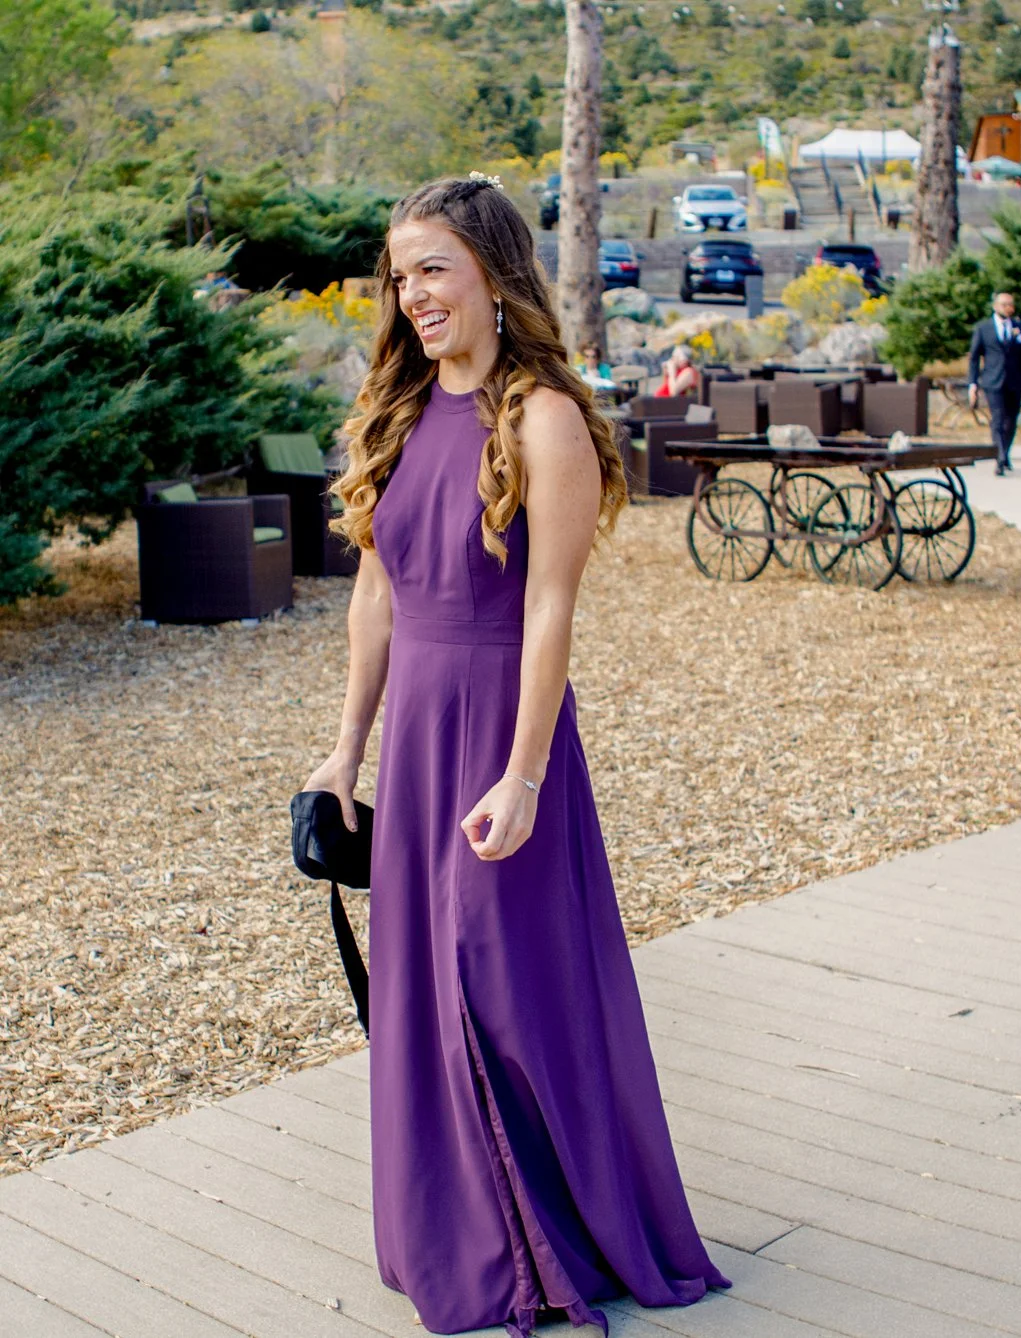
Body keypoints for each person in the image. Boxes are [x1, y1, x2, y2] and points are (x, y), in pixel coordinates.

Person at [306, 176, 729, 1336]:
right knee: (425, 987)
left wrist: (526, 771)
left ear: (491, 269)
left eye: (433, 268)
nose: (414, 294)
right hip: (418, 739)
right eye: (401, 275)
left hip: (504, 732)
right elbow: (378, 598)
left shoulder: (540, 414)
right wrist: (344, 756)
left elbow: (551, 609)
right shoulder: (395, 411)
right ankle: (462, 1234)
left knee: (506, 988)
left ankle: (554, 1235)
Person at [967, 291, 1021, 475]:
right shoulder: (983, 328)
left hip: (1015, 381)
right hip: (993, 381)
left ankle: (1005, 452)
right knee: (998, 419)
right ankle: (999, 457)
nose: (1008, 308)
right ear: (995, 306)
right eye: (1004, 304)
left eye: (1011, 304)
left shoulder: (1020, 329)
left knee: (1011, 420)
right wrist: (972, 384)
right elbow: (974, 358)